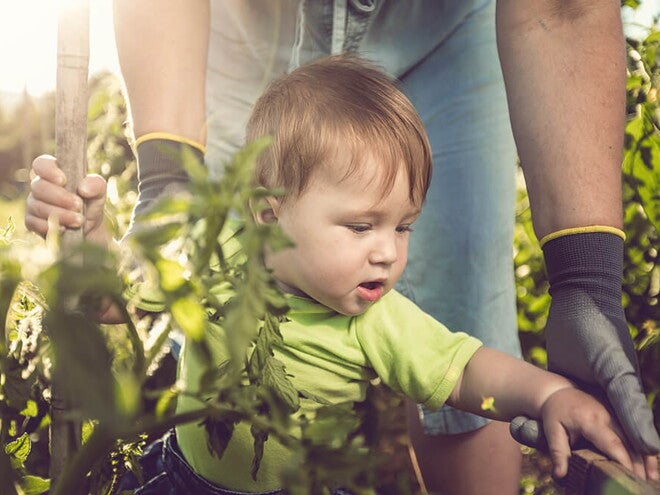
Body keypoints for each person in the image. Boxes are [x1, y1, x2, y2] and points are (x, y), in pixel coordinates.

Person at [27, 1, 660, 493]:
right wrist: (92, 250)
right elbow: (118, 297)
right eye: (361, 227)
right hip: (179, 483)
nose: (388, 253)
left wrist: (548, 390)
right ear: (268, 212)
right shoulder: (220, 252)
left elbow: (465, 368)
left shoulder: (376, 320)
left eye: (403, 226)